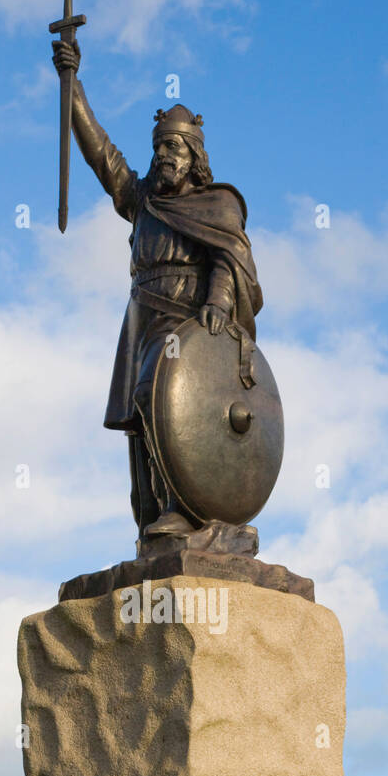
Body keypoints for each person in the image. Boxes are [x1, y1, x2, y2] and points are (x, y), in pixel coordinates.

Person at [52, 38, 263, 538]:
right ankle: (155, 518)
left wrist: (217, 302)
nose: (162, 156)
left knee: (162, 398)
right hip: (142, 320)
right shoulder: (144, 199)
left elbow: (227, 258)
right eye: (158, 148)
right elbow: (103, 156)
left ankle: (182, 507)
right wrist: (71, 85)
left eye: (172, 147)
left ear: (193, 155)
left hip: (187, 323)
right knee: (142, 423)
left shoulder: (218, 204)